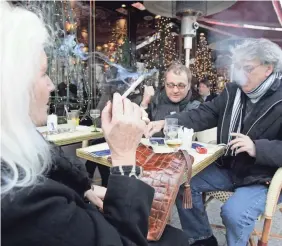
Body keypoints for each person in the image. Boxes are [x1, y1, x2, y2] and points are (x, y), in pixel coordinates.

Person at [1, 3, 190, 246]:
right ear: (12, 90)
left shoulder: (13, 150)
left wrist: (83, 190)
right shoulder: (21, 202)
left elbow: (47, 171)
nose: (50, 85)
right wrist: (123, 158)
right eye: (43, 73)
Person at [146, 38, 282, 246]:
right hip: (230, 167)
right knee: (182, 181)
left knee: (233, 213)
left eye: (247, 68)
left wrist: (257, 148)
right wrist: (165, 123)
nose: (240, 74)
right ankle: (202, 239)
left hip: (263, 176)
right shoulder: (233, 91)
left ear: (268, 69)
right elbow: (203, 114)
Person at [140, 62, 202, 136]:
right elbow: (140, 130)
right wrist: (144, 104)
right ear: (165, 84)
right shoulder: (155, 99)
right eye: (170, 85)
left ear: (189, 86)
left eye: (181, 85)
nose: (175, 90)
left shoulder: (197, 105)